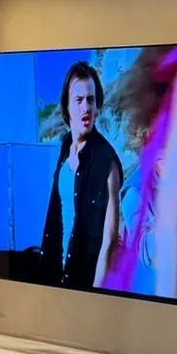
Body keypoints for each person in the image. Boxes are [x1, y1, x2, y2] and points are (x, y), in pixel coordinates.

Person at [40, 61, 122, 289]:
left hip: (85, 284)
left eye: (91, 100)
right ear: (67, 107)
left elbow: (110, 240)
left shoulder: (108, 161)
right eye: (78, 100)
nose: (86, 108)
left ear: (97, 105)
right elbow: (58, 214)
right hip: (54, 275)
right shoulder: (65, 146)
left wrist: (94, 295)